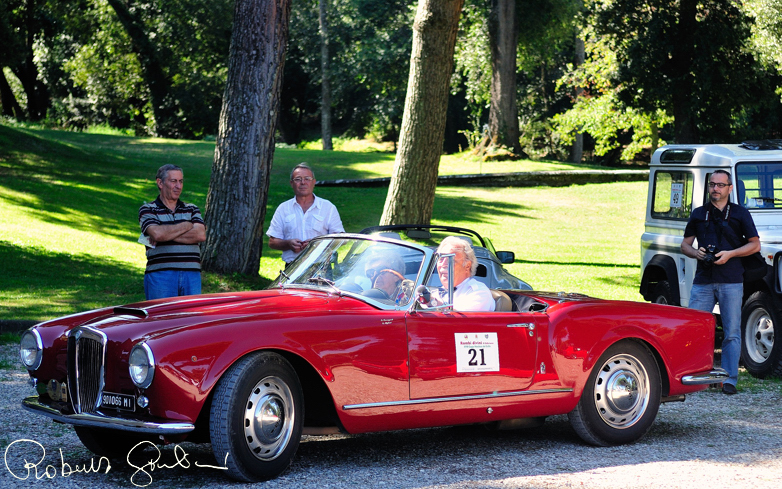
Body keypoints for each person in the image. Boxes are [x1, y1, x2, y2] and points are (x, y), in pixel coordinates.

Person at [681, 169, 760, 395]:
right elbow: (684, 245)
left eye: (720, 185)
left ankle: (729, 380)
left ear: (730, 188)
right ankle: (692, 376)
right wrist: (697, 253)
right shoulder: (699, 213)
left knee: (732, 332)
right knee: (694, 329)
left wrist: (731, 254)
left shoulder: (740, 213)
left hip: (732, 279)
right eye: (712, 185)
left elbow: (755, 245)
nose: (715, 189)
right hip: (703, 280)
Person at [138, 164, 206, 300]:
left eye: (181, 181)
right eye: (173, 181)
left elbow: (200, 235)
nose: (178, 186)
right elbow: (157, 234)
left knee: (191, 319)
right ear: (160, 183)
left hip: (191, 275)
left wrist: (166, 233)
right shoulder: (148, 209)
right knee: (161, 319)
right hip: (161, 275)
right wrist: (187, 225)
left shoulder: (192, 209)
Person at [267, 163, 344, 265]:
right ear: (291, 183)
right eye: (298, 179)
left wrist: (318, 244)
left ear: (314, 182)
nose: (303, 182)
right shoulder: (283, 208)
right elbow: (272, 242)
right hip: (292, 269)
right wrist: (288, 244)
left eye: (307, 178)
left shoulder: (328, 207)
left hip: (321, 268)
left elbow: (341, 239)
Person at [428, 236, 495, 312]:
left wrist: (437, 304)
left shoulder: (479, 292)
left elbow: (464, 320)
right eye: (441, 259)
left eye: (450, 260)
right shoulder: (437, 292)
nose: (443, 265)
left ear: (467, 266)